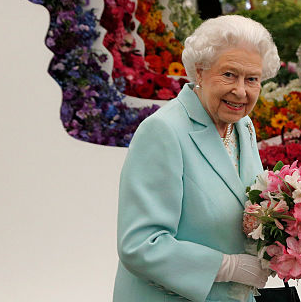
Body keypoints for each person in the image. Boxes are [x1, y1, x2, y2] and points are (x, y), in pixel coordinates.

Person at [114, 15, 279, 302]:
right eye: (229, 74)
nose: (241, 91)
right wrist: (227, 267)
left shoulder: (243, 126)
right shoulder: (163, 131)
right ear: (199, 72)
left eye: (252, 79)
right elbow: (140, 245)